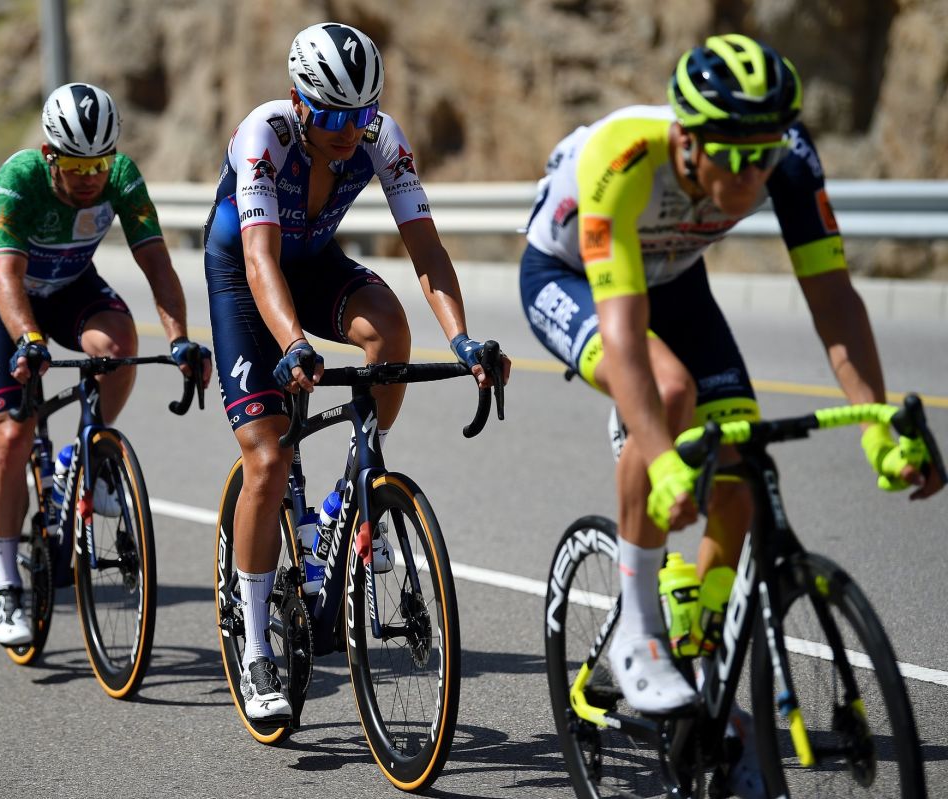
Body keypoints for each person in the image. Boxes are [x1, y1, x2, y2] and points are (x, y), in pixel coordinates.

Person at [519, 33, 942, 797]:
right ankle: (638, 631)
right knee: (668, 394)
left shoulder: (789, 158)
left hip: (675, 280)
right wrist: (660, 453)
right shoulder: (622, 157)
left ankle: (706, 676)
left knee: (740, 476)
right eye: (734, 156)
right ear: (686, 139)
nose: (752, 173)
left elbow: (834, 298)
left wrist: (878, 418)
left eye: (764, 154)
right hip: (571, 275)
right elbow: (624, 335)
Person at [205, 21, 510, 723]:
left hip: (314, 266)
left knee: (390, 331)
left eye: (361, 113)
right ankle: (258, 649)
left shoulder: (380, 137)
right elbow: (259, 261)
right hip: (245, 275)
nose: (349, 131)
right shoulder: (265, 136)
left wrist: (462, 340)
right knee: (268, 459)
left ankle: (351, 493)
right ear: (298, 102)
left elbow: (426, 250)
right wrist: (292, 343)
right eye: (332, 116)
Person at [0, 82, 210, 647]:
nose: (89, 178)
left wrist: (180, 339)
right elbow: (5, 277)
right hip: (10, 296)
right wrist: (29, 339)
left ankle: (85, 454)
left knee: (118, 345)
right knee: (12, 434)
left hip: (72, 286)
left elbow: (157, 265)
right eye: (76, 166)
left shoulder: (122, 177)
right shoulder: (19, 179)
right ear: (50, 155)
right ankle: (6, 584)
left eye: (98, 164)